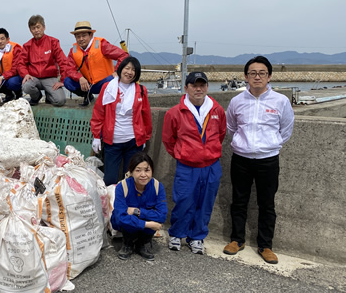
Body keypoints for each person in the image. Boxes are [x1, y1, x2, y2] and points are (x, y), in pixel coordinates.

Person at [223, 56, 294, 264]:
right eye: (252, 73)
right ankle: (237, 239)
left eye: (262, 73)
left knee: (267, 203)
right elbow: (231, 128)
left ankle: (265, 245)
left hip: (268, 160)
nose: (257, 77)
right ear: (246, 76)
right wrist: (242, 143)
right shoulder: (237, 101)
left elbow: (286, 130)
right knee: (239, 200)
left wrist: (270, 144)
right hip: (241, 158)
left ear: (269, 76)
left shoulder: (281, 101)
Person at [162, 72, 227, 255]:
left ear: (207, 87)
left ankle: (197, 236)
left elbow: (221, 134)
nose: (198, 89)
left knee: (205, 202)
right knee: (183, 200)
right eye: (193, 85)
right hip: (187, 166)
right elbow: (168, 140)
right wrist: (183, 154)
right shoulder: (175, 112)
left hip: (211, 166)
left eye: (202, 85)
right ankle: (176, 233)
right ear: (186, 88)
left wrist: (208, 152)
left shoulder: (217, 110)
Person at [90, 56, 152, 186]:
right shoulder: (108, 87)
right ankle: (111, 205)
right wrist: (96, 136)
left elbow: (146, 116)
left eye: (133, 70)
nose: (129, 72)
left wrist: (145, 137)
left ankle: (129, 205)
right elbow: (98, 113)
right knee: (110, 179)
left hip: (133, 142)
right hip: (112, 142)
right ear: (120, 69)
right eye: (127, 68)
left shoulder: (140, 90)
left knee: (131, 179)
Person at [111, 152, 167, 261]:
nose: (143, 175)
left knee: (152, 218)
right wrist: (148, 224)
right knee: (121, 219)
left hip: (140, 218)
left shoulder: (157, 187)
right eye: (138, 170)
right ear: (131, 172)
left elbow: (162, 216)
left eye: (147, 170)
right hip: (129, 224)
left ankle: (142, 244)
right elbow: (120, 217)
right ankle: (127, 243)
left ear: (152, 171)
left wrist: (137, 211)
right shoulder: (122, 186)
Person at [64, 21, 128, 106]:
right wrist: (80, 78)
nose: (81, 39)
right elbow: (69, 69)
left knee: (112, 81)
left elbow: (123, 55)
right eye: (78, 36)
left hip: (105, 83)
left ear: (91, 35)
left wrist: (117, 72)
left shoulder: (102, 45)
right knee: (67, 81)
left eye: (84, 36)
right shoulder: (73, 51)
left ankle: (109, 102)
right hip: (88, 85)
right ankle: (87, 96)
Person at [17, 14, 73, 107]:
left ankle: (49, 95)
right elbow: (21, 63)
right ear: (30, 30)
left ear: (44, 27)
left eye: (38, 27)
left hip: (50, 77)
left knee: (60, 100)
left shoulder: (53, 42)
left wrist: (62, 80)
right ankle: (36, 96)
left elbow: (63, 61)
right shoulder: (27, 45)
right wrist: (25, 74)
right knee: (26, 86)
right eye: (33, 28)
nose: (36, 30)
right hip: (34, 78)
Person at [0, 28, 23, 102]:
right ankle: (9, 94)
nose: (0, 41)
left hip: (15, 76)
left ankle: (18, 92)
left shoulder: (16, 49)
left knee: (12, 82)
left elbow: (16, 68)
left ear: (7, 39)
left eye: (2, 39)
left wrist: (2, 77)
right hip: (4, 77)